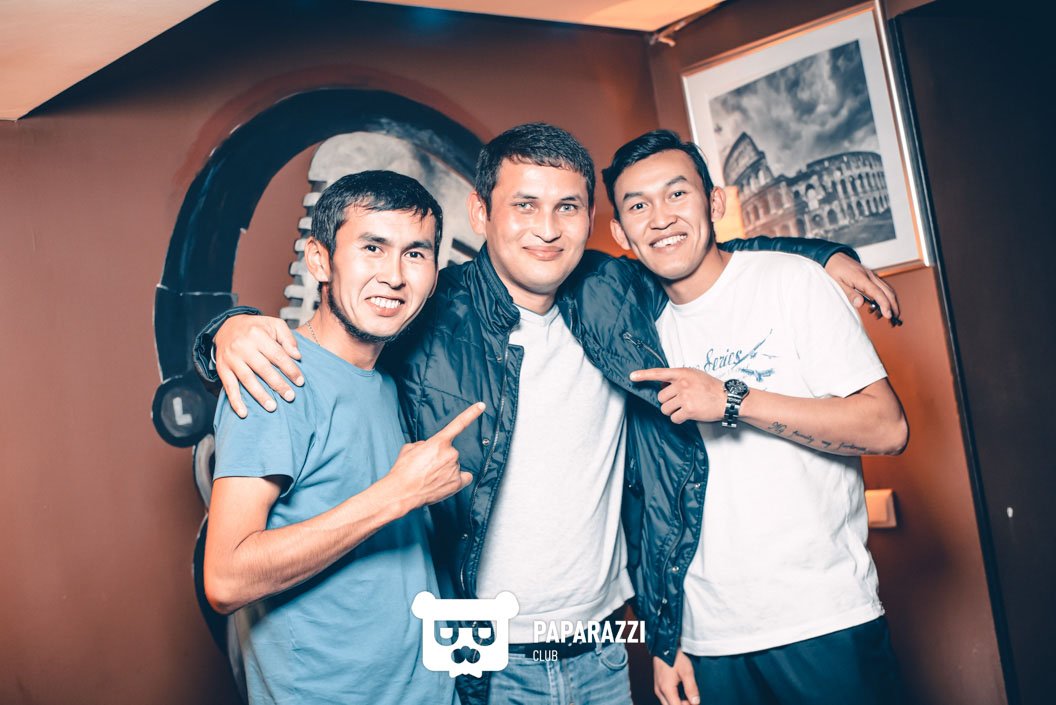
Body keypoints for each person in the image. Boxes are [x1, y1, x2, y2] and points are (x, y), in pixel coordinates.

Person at [195, 123, 899, 705]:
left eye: (568, 207)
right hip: (481, 657)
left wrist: (823, 254)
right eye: (525, 205)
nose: (547, 229)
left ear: (593, 221)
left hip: (605, 647)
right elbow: (341, 325)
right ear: (481, 214)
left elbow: (691, 251)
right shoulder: (429, 311)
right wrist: (225, 331)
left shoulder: (611, 291)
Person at [602, 130, 909, 705]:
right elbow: (642, 501)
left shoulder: (791, 281)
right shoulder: (635, 333)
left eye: (677, 194)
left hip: (823, 619)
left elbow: (886, 427)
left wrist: (733, 399)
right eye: (638, 206)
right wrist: (666, 642)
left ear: (714, 203)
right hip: (707, 640)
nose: (661, 218)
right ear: (621, 233)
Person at [202, 170, 481, 705]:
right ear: (319, 260)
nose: (394, 276)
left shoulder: (390, 377)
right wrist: (396, 495)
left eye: (415, 254)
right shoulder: (273, 375)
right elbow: (226, 579)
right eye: (372, 248)